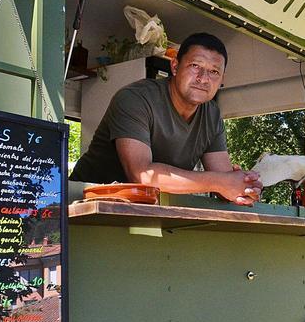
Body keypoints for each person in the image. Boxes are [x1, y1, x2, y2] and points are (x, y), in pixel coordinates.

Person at [70, 32, 262, 205]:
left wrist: (245, 186)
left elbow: (224, 181)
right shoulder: (135, 98)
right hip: (81, 204)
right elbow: (142, 175)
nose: (203, 78)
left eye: (214, 72)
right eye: (195, 66)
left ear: (222, 79)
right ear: (175, 66)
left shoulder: (212, 116)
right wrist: (221, 182)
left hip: (142, 209)